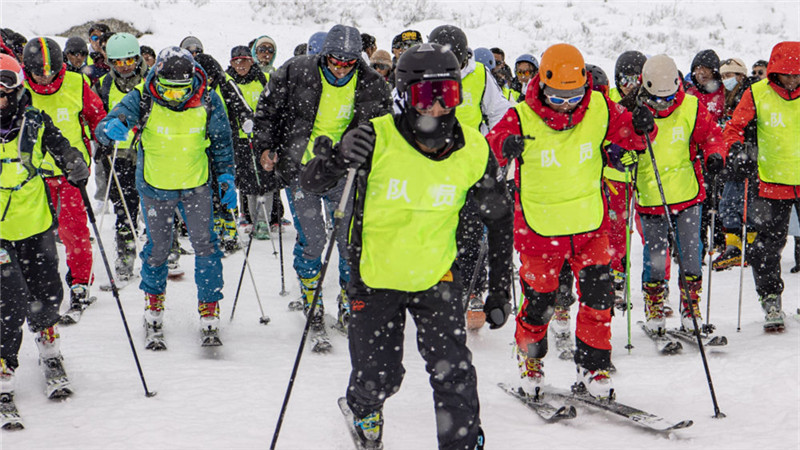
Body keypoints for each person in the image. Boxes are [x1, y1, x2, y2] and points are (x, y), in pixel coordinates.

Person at [302, 42, 513, 450]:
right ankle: (364, 407)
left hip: (437, 276)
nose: (435, 109)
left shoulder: (473, 148)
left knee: (454, 374)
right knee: (379, 378)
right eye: (424, 97)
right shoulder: (375, 136)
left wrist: (500, 286)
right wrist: (338, 158)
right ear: (403, 95)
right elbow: (312, 182)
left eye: (446, 96)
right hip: (376, 276)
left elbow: (499, 218)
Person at [487, 43, 657, 399]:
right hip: (540, 227)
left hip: (589, 225)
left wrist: (644, 126)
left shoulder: (598, 108)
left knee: (599, 298)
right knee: (540, 302)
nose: (567, 105)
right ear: (542, 85)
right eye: (558, 97)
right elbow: (491, 144)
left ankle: (593, 365)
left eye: (574, 95)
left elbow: (634, 135)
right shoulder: (520, 115)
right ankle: (530, 358)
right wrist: (505, 146)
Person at [94, 46, 236, 348]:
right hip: (155, 186)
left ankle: (209, 307)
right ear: (157, 78)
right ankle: (154, 306)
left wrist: (226, 176)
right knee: (158, 249)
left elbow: (223, 142)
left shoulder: (209, 99)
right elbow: (106, 124)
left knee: (206, 246)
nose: (175, 97)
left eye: (181, 91)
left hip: (196, 184)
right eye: (168, 91)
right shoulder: (143, 96)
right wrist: (110, 129)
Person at [255, 24, 392, 333]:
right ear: (324, 55)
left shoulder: (372, 85)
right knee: (313, 238)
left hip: (345, 173)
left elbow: (384, 131)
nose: (341, 68)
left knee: (348, 241)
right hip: (302, 169)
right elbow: (267, 110)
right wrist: (265, 147)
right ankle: (310, 292)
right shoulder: (296, 71)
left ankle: (348, 297)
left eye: (348, 62)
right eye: (335, 60)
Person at [0, 53, 90, 406]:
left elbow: (62, 146)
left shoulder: (34, 120)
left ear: (17, 89)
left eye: (3, 91)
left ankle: (49, 348)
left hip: (35, 223)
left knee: (47, 292)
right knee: (9, 300)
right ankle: (5, 366)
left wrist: (73, 162)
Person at [634, 55, 725, 334]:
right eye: (657, 98)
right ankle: (655, 304)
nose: (663, 104)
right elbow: (620, 144)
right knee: (656, 255)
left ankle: (691, 303)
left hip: (687, 193)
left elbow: (711, 136)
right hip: (651, 196)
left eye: (669, 97)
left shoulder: (691, 106)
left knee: (690, 252)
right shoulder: (632, 110)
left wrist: (715, 156)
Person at [428, 25, 512, 330]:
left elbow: (501, 112)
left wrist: (492, 146)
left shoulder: (479, 75)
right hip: (432, 165)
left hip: (470, 165)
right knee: (436, 228)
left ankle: (474, 290)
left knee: (472, 229)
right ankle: (436, 285)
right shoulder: (425, 73)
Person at [22, 37, 106, 321]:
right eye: (38, 73)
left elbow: (96, 115)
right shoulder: (20, 90)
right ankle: (30, 286)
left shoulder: (75, 83)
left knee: (74, 231)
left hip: (72, 173)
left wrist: (102, 136)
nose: (45, 78)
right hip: (33, 176)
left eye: (50, 72)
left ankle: (80, 283)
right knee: (34, 233)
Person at [723, 41, 800, 331]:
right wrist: (735, 151)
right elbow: (733, 129)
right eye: (787, 74)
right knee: (769, 246)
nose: (792, 79)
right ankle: (770, 299)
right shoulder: (757, 93)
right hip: (771, 181)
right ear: (775, 73)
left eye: (797, 74)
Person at [94, 32, 149, 283]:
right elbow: (97, 119)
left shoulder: (151, 82)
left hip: (150, 154)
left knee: (155, 206)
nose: (124, 67)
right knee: (124, 208)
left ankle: (161, 251)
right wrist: (103, 136)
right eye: (118, 62)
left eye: (129, 61)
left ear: (138, 59)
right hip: (120, 156)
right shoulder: (104, 85)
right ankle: (125, 254)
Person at [224, 45, 275, 240]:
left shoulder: (262, 79)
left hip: (262, 139)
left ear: (251, 61)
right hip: (240, 140)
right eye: (236, 62)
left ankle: (264, 220)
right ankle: (254, 220)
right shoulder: (227, 82)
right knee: (247, 181)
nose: (240, 65)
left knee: (265, 179)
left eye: (244, 61)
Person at [713, 57, 758, 271]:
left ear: (740, 74)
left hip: (748, 156)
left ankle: (748, 246)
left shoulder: (751, 93)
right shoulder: (728, 96)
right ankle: (735, 246)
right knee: (730, 203)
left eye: (729, 75)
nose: (725, 80)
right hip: (733, 156)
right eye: (722, 76)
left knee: (744, 203)